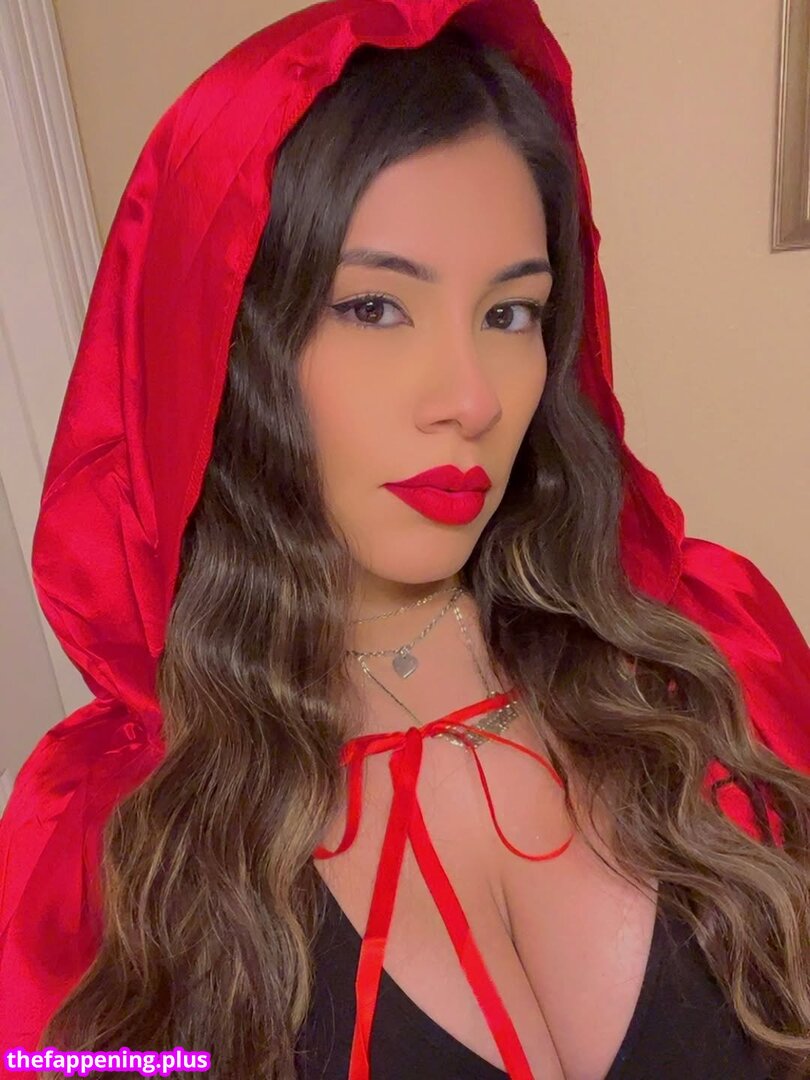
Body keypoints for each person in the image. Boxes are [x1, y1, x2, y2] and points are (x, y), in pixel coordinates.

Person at [1, 0, 808, 1077]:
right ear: (226, 345)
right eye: (375, 308)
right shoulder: (103, 833)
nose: (471, 398)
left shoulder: (712, 655)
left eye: (510, 313)